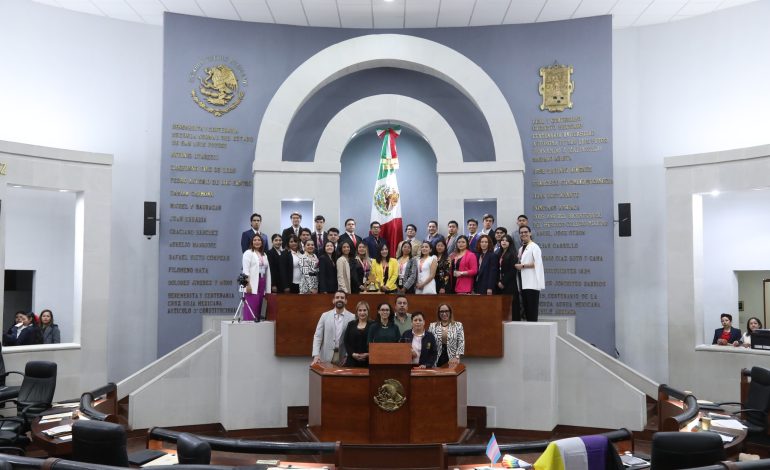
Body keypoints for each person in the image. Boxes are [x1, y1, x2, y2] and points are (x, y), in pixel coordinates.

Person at [311, 291, 354, 365]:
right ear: (333, 300)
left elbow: (353, 340)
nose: (339, 299)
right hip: (325, 356)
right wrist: (316, 354)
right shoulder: (324, 316)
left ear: (346, 301)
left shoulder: (352, 317)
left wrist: (348, 355)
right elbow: (318, 336)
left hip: (343, 357)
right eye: (337, 297)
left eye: (342, 298)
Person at [516, 225, 544, 322]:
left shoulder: (534, 247)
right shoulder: (521, 249)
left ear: (530, 233)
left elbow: (537, 263)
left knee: (532, 309)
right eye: (521, 232)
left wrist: (522, 266)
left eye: (526, 232)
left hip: (532, 283)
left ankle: (534, 330)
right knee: (526, 309)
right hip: (524, 284)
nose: (523, 234)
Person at [242, 234, 271, 321]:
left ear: (262, 242)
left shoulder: (264, 254)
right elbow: (245, 270)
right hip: (252, 282)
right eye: (255, 240)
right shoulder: (248, 253)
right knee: (252, 304)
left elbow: (266, 269)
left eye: (259, 240)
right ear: (252, 242)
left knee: (260, 304)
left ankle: (258, 324)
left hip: (262, 280)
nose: (257, 242)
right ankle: (249, 323)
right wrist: (247, 284)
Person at [343, 301, 374, 367]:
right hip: (352, 361)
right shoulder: (351, 324)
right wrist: (352, 354)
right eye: (360, 310)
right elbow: (346, 341)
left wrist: (368, 354)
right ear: (357, 312)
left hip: (369, 361)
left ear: (368, 311)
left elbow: (376, 343)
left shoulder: (373, 325)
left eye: (364, 310)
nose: (362, 312)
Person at [496, 234, 520, 317]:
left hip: (509, 284)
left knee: (512, 305)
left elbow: (512, 271)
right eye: (502, 240)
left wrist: (503, 282)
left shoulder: (513, 254)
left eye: (506, 240)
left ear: (510, 243)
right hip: (498, 283)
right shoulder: (498, 254)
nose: (504, 242)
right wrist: (498, 281)